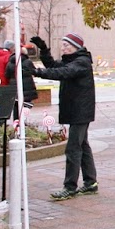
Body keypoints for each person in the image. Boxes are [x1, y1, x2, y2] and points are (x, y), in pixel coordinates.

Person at [32, 32, 98, 201]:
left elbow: (62, 73)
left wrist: (36, 72)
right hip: (77, 110)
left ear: (76, 47)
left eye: (67, 45)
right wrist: (44, 50)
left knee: (73, 149)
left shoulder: (81, 62)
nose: (63, 48)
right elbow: (54, 66)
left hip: (80, 111)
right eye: (62, 45)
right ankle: (90, 182)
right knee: (83, 145)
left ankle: (70, 187)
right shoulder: (72, 61)